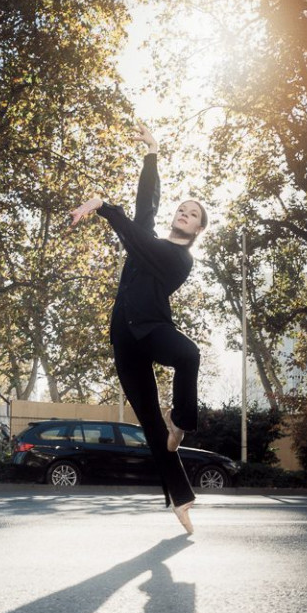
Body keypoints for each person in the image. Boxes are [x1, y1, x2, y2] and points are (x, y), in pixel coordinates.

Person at [70, 122, 207, 534]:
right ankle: (181, 499)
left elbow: (138, 237)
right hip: (124, 336)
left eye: (193, 214)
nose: (184, 214)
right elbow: (146, 203)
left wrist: (101, 205)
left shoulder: (181, 260)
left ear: (199, 229)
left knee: (189, 353)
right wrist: (153, 153)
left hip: (154, 329)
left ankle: (181, 420)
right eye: (182, 209)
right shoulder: (148, 236)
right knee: (149, 423)